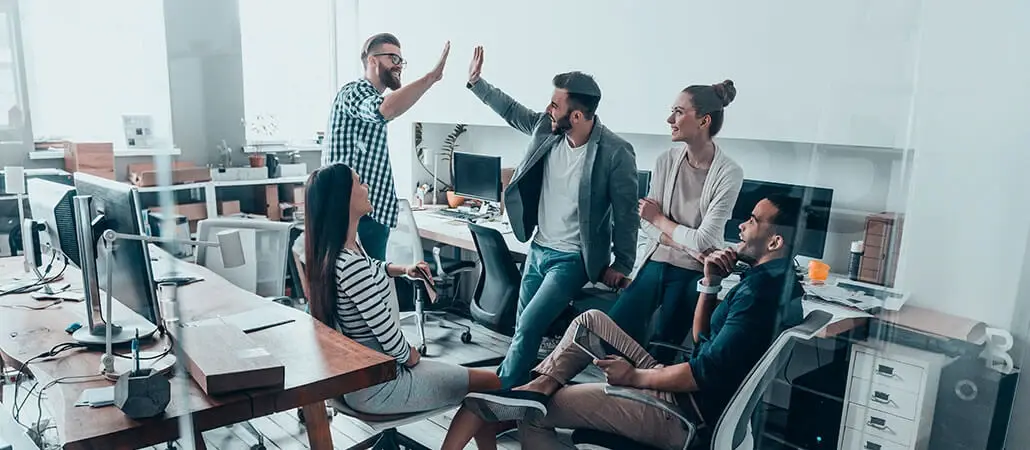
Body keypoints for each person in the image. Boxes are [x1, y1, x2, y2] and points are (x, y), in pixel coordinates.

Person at [450, 195, 806, 449]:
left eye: (754, 220)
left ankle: (537, 396)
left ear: (774, 240)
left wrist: (636, 377)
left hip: (682, 412)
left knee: (533, 419)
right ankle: (541, 386)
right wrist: (710, 282)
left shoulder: (759, 297)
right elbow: (702, 338)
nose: (742, 224)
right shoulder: (775, 283)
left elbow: (703, 372)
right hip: (683, 388)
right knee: (591, 319)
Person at [465, 46, 639, 388]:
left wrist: (623, 262)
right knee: (522, 328)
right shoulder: (547, 130)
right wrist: (476, 83)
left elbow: (626, 212)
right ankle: (520, 392)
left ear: (576, 115)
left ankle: (500, 397)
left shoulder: (615, 153)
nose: (549, 108)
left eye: (556, 104)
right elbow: (512, 111)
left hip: (573, 257)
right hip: (539, 248)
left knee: (530, 325)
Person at [299, 163, 504, 450]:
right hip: (382, 385)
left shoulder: (340, 253)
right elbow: (388, 336)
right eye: (359, 183)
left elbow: (372, 267)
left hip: (363, 381)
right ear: (343, 198)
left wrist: (402, 269)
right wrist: (412, 357)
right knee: (491, 384)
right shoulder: (350, 265)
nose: (366, 187)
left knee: (482, 384)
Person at [607, 81, 744, 361]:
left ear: (704, 120)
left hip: (692, 272)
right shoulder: (665, 161)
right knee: (610, 334)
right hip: (656, 261)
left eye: (679, 112)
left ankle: (647, 401)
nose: (670, 120)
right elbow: (644, 223)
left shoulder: (729, 173)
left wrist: (660, 219)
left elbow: (704, 240)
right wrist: (683, 241)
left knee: (662, 349)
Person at [320, 33, 451, 260]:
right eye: (393, 58)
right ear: (372, 61)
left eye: (401, 60)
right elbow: (384, 110)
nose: (399, 66)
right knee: (359, 287)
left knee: (371, 283)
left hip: (370, 214)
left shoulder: (369, 96)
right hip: (354, 216)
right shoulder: (355, 92)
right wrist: (430, 78)